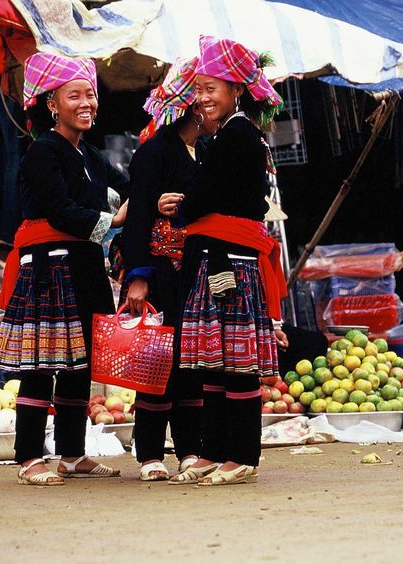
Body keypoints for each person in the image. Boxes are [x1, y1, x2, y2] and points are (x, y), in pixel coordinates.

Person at [0, 52, 128, 486]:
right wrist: (117, 219)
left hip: (84, 264)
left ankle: (72, 454)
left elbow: (121, 189)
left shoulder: (89, 153)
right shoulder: (42, 152)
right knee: (41, 364)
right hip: (49, 268)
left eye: (91, 93)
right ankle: (29, 457)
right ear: (52, 102)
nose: (87, 102)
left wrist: (149, 194)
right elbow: (61, 210)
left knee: (80, 363)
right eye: (75, 95)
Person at [166, 35, 287, 486]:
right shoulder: (229, 136)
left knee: (235, 362)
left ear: (236, 89)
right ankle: (215, 450)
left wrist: (179, 206)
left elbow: (202, 199)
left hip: (229, 263)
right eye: (197, 90)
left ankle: (243, 456)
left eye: (210, 88)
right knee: (214, 361)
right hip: (217, 257)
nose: (201, 98)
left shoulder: (237, 135)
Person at [121, 57, 217, 481]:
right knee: (157, 362)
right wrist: (138, 277)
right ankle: (149, 455)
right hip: (160, 271)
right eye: (202, 98)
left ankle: (190, 451)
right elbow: (138, 217)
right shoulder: (153, 152)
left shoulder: (210, 151)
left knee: (192, 362)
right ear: (189, 105)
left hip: (197, 273)